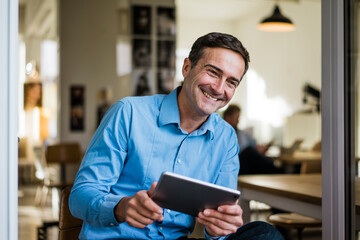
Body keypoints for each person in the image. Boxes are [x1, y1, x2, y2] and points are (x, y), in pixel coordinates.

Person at [69, 32, 283, 240]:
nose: (219, 88)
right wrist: (121, 207)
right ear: (187, 67)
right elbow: (79, 197)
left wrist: (219, 228)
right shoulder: (129, 113)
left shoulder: (225, 137)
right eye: (213, 72)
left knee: (265, 233)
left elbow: (218, 224)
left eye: (231, 82)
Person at [223, 104, 283, 175]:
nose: (238, 121)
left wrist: (259, 148)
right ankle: (279, 171)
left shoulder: (243, 134)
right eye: (236, 118)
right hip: (237, 163)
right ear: (228, 117)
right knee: (248, 152)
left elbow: (254, 145)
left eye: (239, 118)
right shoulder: (222, 133)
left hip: (250, 161)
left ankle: (278, 171)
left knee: (253, 154)